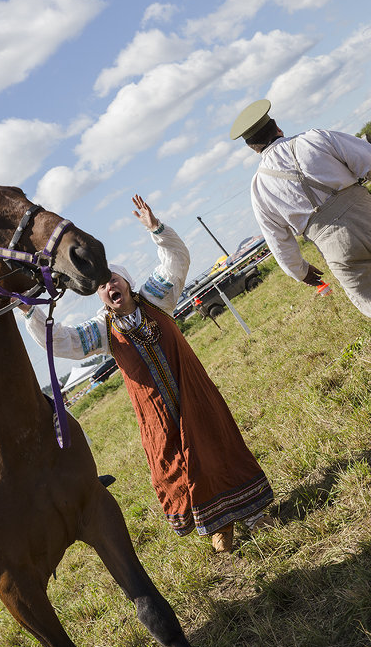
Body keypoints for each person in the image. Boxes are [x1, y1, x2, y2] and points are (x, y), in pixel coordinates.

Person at [19, 196, 274, 552]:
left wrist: (157, 230)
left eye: (114, 279)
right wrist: (30, 308)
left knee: (219, 447)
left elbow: (176, 261)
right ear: (101, 297)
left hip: (194, 396)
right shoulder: (101, 330)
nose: (110, 287)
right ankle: (219, 526)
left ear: (126, 280)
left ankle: (251, 515)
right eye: (102, 287)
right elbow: (60, 340)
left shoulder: (156, 298)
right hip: (157, 416)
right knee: (180, 467)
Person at [230, 99, 371, 317]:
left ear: (252, 148)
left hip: (336, 247)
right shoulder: (316, 138)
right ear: (278, 128)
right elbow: (367, 159)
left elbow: (278, 241)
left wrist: (301, 271)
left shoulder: (259, 187)